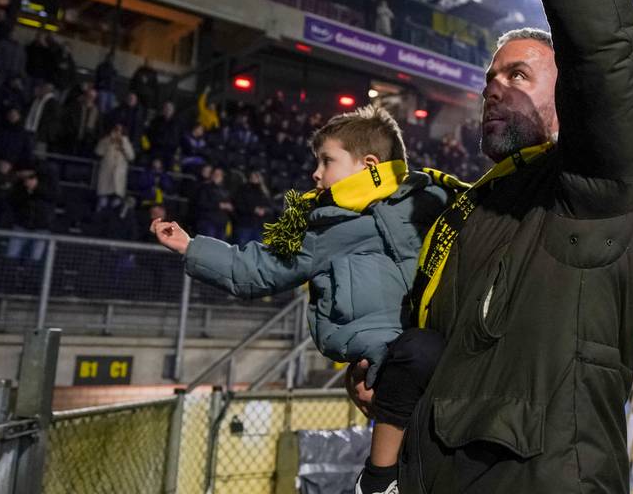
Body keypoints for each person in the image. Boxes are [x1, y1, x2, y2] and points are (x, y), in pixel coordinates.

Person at [344, 0, 633, 493]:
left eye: (519, 74)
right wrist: (386, 366)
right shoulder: (478, 209)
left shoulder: (598, 187)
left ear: (568, 94)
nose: (495, 87)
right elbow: (438, 342)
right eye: (490, 77)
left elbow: (603, 52)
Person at [151, 105, 456, 494]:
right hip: (385, 371)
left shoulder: (433, 203)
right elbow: (258, 269)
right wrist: (191, 246)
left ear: (369, 164)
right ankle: (380, 480)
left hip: (441, 368)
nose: (315, 173)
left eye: (327, 161)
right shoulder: (329, 228)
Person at [95, 123, 134, 210]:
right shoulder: (106, 140)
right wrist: (108, 140)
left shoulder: (125, 141)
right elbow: (98, 152)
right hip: (106, 177)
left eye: (119, 130)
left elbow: (131, 156)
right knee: (102, 203)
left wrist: (123, 143)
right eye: (116, 130)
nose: (117, 133)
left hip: (118, 178)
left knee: (116, 205)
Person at [189, 166, 233, 240]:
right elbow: (201, 204)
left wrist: (230, 207)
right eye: (215, 174)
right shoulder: (205, 188)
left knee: (219, 247)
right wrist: (219, 205)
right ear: (211, 175)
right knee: (208, 245)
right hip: (208, 222)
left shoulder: (226, 191)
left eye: (219, 174)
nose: (217, 176)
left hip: (221, 223)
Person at [232, 170, 272, 245]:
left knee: (256, 251)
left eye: (256, 176)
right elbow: (238, 205)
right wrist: (254, 210)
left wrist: (264, 211)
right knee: (242, 250)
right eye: (252, 176)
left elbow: (270, 208)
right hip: (244, 225)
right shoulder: (243, 189)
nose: (254, 178)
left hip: (259, 227)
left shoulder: (264, 192)